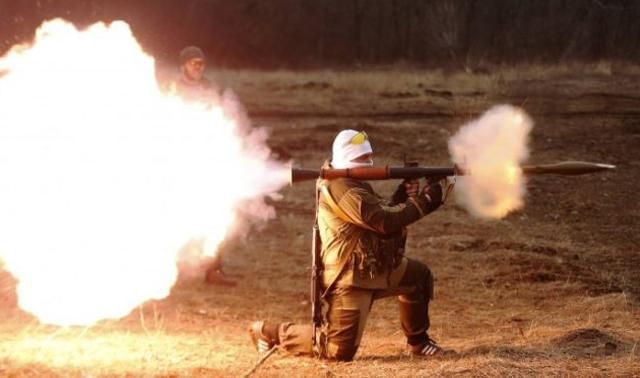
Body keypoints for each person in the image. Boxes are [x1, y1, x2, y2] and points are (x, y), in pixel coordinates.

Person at [248, 129, 452, 360]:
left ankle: (418, 342)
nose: (369, 163)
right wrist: (424, 202)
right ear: (347, 159)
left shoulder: (351, 181)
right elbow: (384, 222)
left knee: (419, 277)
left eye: (369, 157)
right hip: (351, 277)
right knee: (336, 351)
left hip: (374, 267)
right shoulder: (341, 187)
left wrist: (400, 198)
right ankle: (270, 332)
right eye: (362, 159)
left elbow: (372, 215)